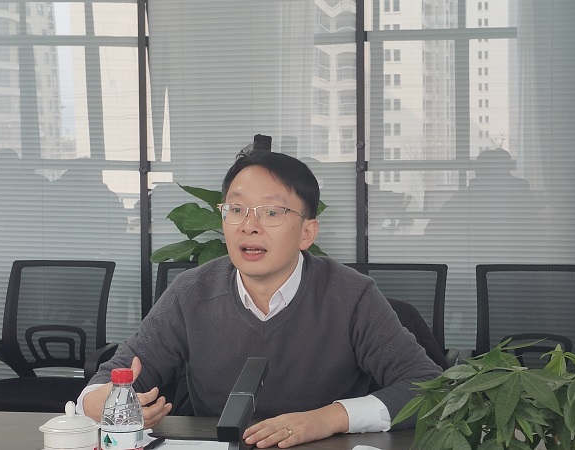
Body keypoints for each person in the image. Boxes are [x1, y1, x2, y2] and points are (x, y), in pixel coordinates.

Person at [77, 145, 442, 448]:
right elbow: (114, 376)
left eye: (271, 212)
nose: (249, 226)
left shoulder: (352, 295)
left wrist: (327, 419)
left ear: (307, 232)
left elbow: (427, 387)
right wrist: (100, 401)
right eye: (236, 210)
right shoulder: (190, 293)